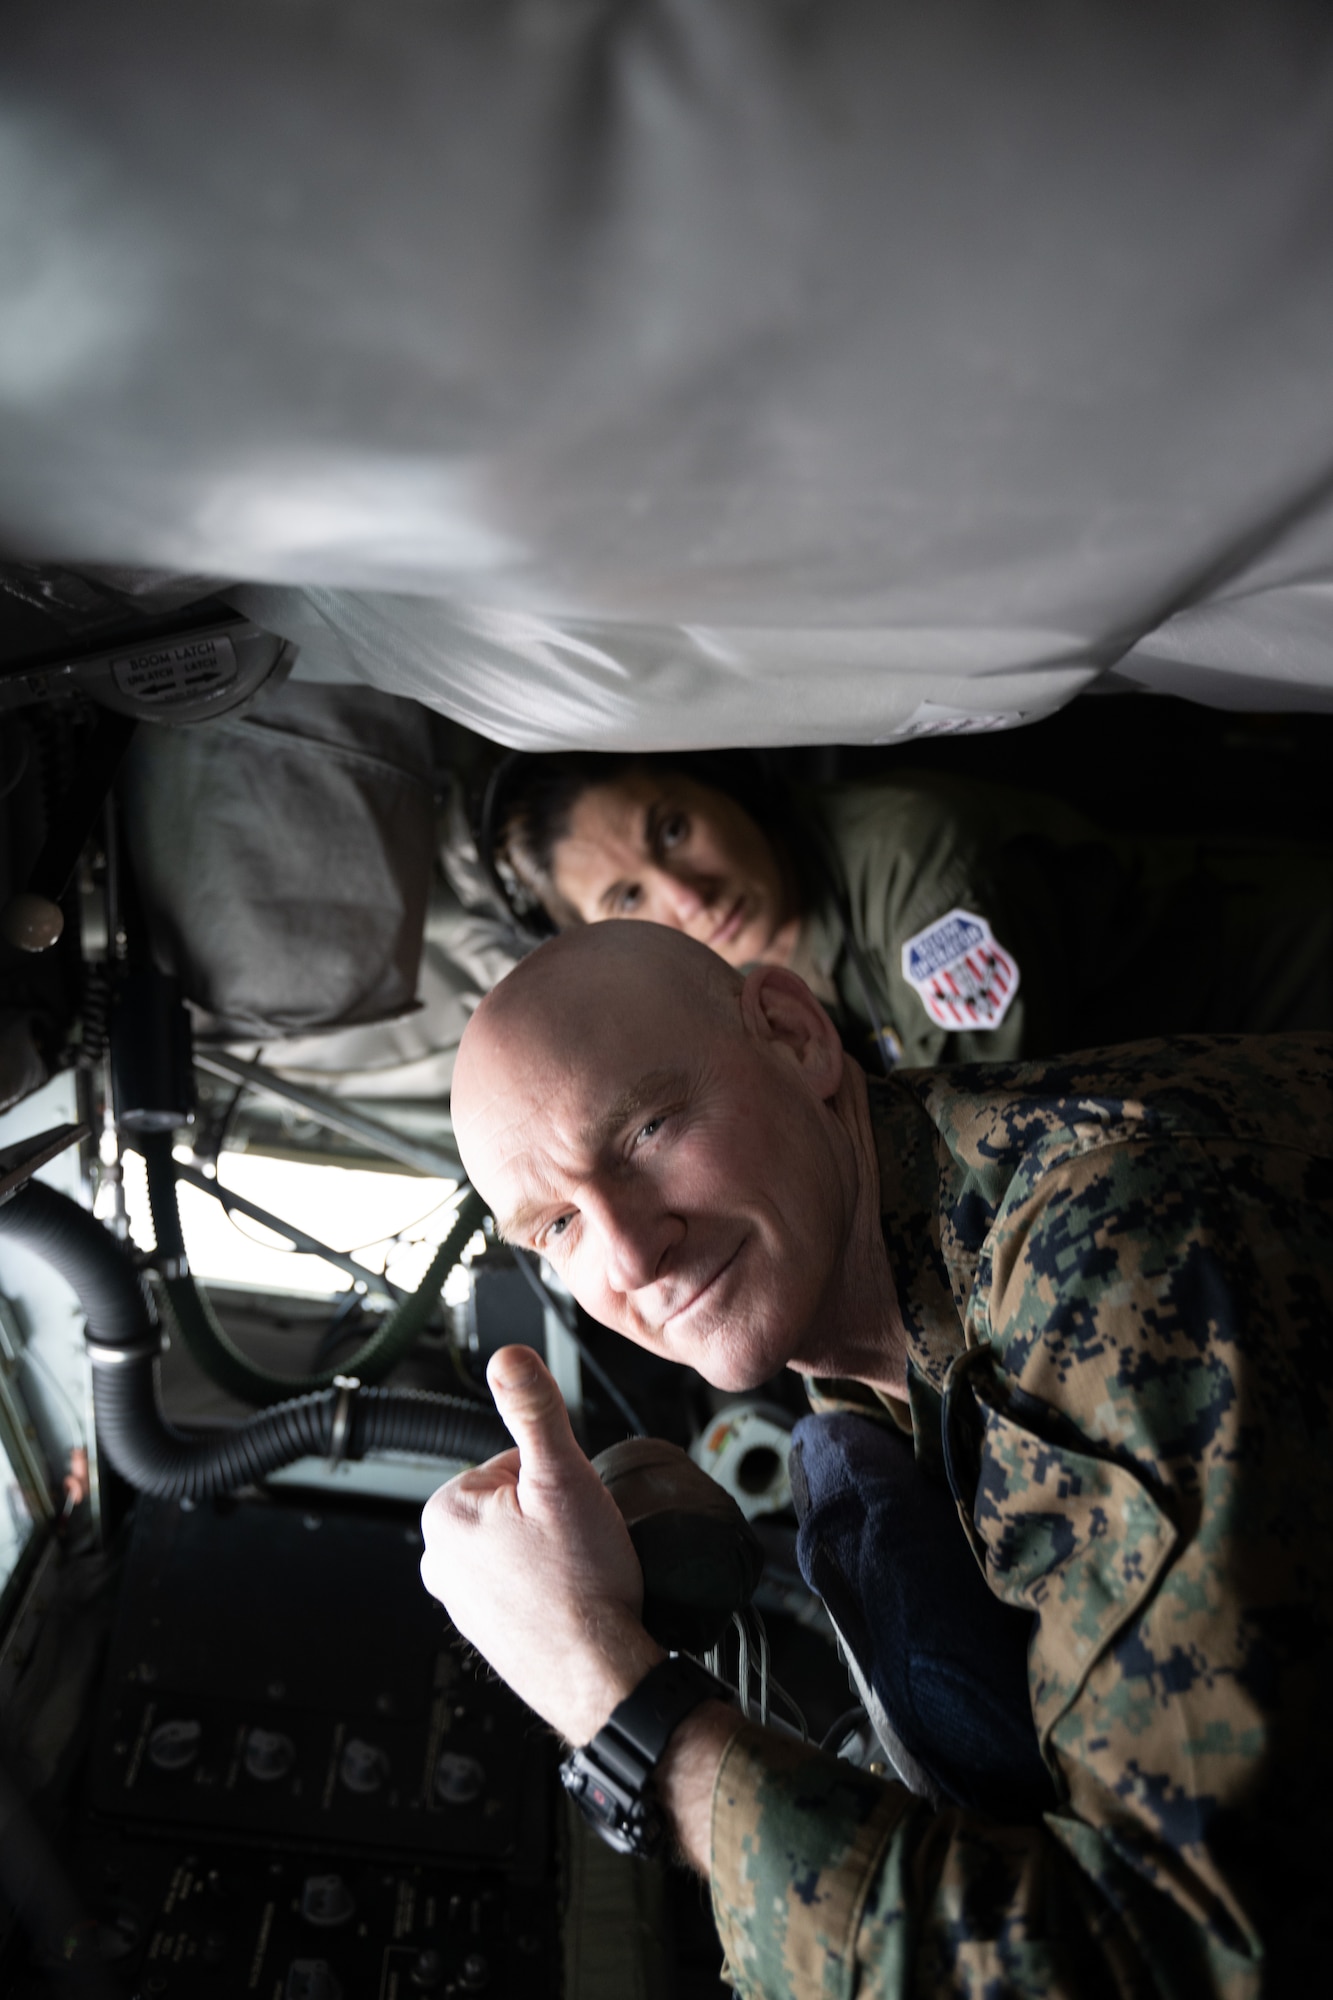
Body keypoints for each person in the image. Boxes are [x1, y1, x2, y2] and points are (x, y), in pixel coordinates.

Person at [420, 921, 1333, 1997]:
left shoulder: (1111, 1249)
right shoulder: (871, 1360)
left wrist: (610, 1697)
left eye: (648, 1127)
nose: (627, 1251)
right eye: (561, 1222)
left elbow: (1170, 1957)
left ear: (796, 1035)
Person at [488, 752, 1333, 1069]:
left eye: (674, 828)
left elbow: (982, 1130)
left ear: (724, 782)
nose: (688, 896)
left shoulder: (922, 872)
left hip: (1293, 994)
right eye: (630, 896)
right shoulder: (721, 982)